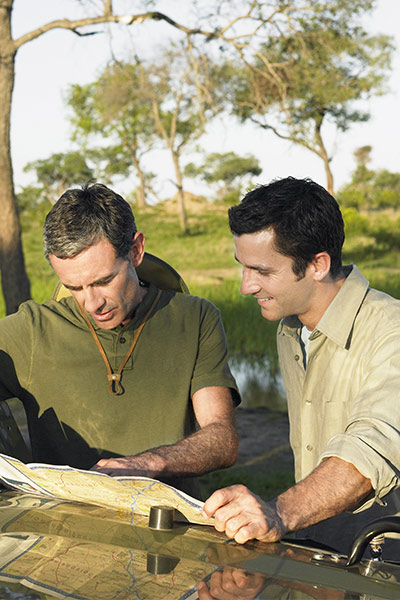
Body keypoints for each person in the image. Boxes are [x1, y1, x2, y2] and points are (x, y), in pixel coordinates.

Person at [0, 183, 240, 498]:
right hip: (62, 535)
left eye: (104, 281)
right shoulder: (33, 329)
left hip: (167, 528)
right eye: (73, 287)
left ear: (136, 250)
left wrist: (147, 464)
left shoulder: (194, 318)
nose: (91, 303)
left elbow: (222, 439)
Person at [203, 176, 400, 556]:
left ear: (317, 265)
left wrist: (280, 512)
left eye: (262, 271)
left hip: (385, 559)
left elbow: (372, 448)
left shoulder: (391, 330)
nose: (246, 287)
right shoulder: (289, 329)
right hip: (316, 547)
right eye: (243, 267)